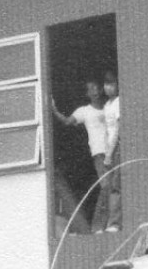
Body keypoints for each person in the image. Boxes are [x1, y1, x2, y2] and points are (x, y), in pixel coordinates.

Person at [51, 78, 108, 232]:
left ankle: (107, 224)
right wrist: (54, 110)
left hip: (114, 149)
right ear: (87, 94)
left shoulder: (109, 106)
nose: (95, 91)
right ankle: (98, 225)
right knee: (106, 186)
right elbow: (68, 121)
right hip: (99, 152)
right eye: (91, 89)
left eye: (97, 88)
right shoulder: (84, 111)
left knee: (113, 187)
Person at [101, 70, 122, 234]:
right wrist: (105, 150)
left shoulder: (118, 103)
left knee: (115, 186)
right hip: (109, 149)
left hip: (117, 148)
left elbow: (117, 129)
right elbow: (107, 131)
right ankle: (107, 223)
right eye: (106, 84)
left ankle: (114, 223)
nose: (108, 88)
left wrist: (110, 153)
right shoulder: (106, 106)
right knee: (107, 186)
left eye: (111, 84)